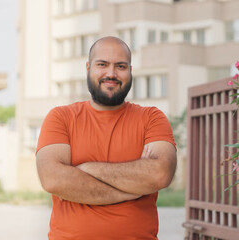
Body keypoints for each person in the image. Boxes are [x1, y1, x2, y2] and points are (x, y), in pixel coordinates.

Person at [36, 36, 177, 240]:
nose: (111, 73)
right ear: (88, 67)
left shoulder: (151, 118)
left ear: (130, 70)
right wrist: (132, 189)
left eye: (120, 66)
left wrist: (87, 169)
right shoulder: (61, 118)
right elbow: (53, 179)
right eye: (102, 64)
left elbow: (160, 174)